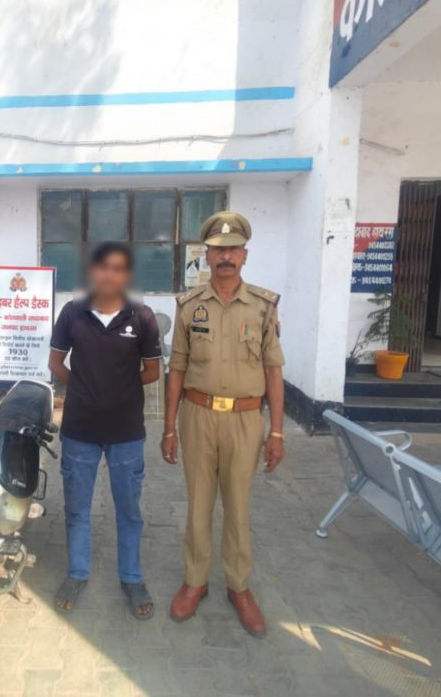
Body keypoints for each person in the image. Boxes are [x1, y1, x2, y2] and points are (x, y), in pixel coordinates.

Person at [161, 212, 285, 638]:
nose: (226, 257)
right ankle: (195, 581)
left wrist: (277, 431)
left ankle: (239, 587)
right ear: (207, 256)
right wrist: (169, 428)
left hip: (246, 420)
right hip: (197, 416)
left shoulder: (263, 306)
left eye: (233, 249)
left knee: (237, 506)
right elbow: (177, 369)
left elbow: (273, 371)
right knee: (198, 505)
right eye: (218, 250)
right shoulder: (188, 306)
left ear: (244, 255)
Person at [49, 243, 162, 619]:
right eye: (102, 267)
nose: (109, 274)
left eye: (118, 268)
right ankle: (76, 574)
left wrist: (118, 391)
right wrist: (83, 387)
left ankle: (132, 578)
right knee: (77, 509)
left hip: (126, 431)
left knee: (129, 510)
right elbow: (56, 363)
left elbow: (152, 371)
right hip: (79, 429)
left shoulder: (142, 316)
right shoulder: (72, 312)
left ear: (126, 275)